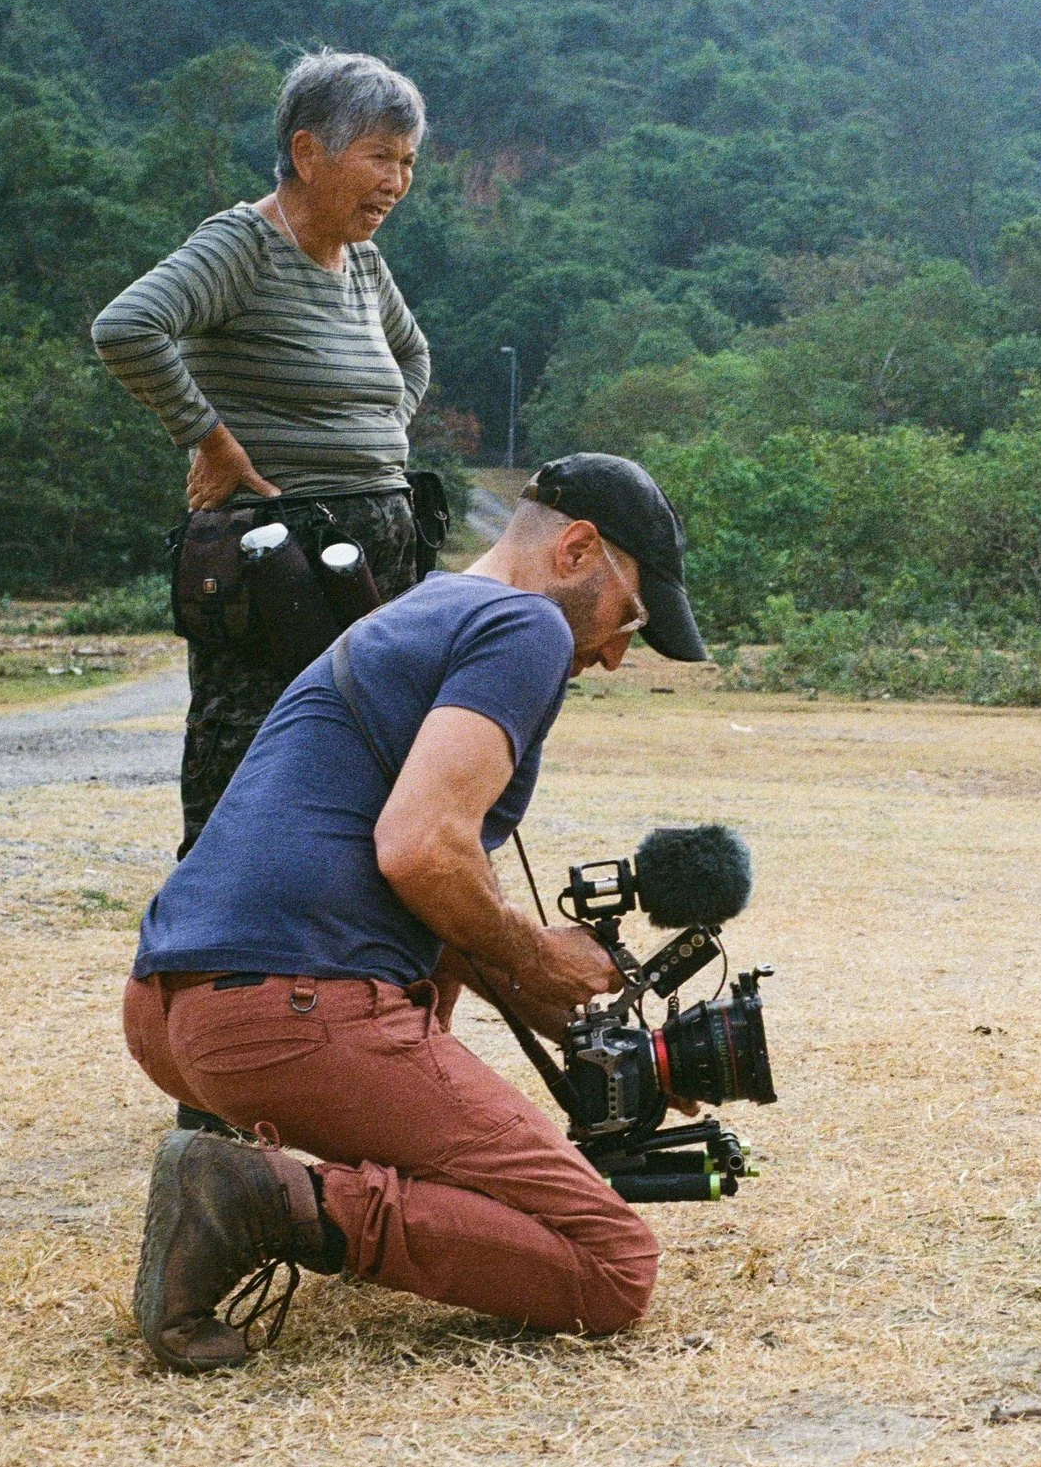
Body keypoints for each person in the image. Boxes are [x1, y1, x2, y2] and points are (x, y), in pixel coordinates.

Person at [122, 453, 712, 1372]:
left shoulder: (427, 605)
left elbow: (424, 892)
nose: (614, 652)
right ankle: (260, 1198)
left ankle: (252, 1184)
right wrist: (543, 958)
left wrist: (574, 1023)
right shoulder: (525, 626)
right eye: (628, 615)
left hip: (175, 1008)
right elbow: (419, 849)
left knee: (477, 1168)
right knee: (612, 1264)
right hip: (287, 1009)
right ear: (578, 548)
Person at [92, 48, 437, 856]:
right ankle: (214, 964)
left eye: (408, 162)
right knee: (245, 783)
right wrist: (208, 438)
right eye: (379, 157)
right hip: (273, 568)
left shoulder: (366, 263)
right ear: (309, 153)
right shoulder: (242, 246)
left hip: (375, 570)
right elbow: (126, 327)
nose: (396, 181)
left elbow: (414, 356)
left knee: (365, 783)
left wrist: (379, 439)